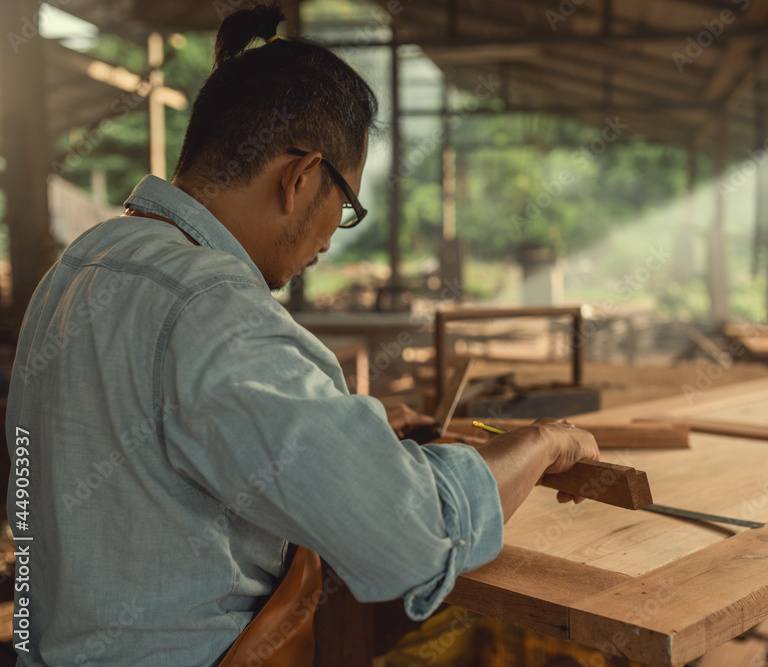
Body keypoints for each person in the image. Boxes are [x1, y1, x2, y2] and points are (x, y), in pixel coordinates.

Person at [5, 4, 599, 665]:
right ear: (301, 177)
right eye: (343, 211)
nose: (326, 242)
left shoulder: (85, 263)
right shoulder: (214, 305)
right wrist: (547, 441)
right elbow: (415, 534)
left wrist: (352, 440)